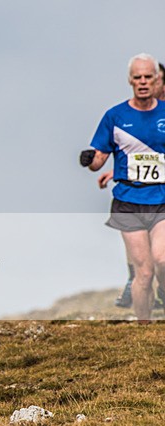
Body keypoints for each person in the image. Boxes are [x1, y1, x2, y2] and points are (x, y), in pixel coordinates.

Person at [80, 54, 165, 322]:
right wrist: (90, 161)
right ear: (130, 80)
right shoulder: (115, 116)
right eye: (137, 77)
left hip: (161, 197)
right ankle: (145, 328)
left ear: (156, 81)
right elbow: (99, 158)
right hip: (128, 200)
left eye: (148, 77)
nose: (142, 82)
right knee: (144, 272)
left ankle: (163, 291)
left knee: (162, 261)